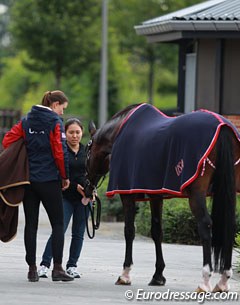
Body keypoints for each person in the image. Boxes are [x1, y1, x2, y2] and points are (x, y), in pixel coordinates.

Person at [2, 90, 74, 282]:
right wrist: (65, 176)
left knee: (31, 225)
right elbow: (60, 152)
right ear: (55, 104)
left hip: (29, 181)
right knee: (58, 223)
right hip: (49, 179)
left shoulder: (26, 121)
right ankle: (57, 269)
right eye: (62, 109)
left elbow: (7, 140)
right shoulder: (54, 123)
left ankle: (32, 269)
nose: (62, 114)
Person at [38, 118, 88, 279]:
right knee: (59, 230)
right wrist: (74, 186)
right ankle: (45, 265)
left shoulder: (88, 152)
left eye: (77, 132)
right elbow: (58, 174)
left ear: (82, 133)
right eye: (71, 132)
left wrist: (90, 190)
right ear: (65, 134)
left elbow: (93, 174)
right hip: (64, 197)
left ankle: (72, 266)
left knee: (78, 233)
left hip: (84, 199)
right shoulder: (61, 151)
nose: (74, 136)